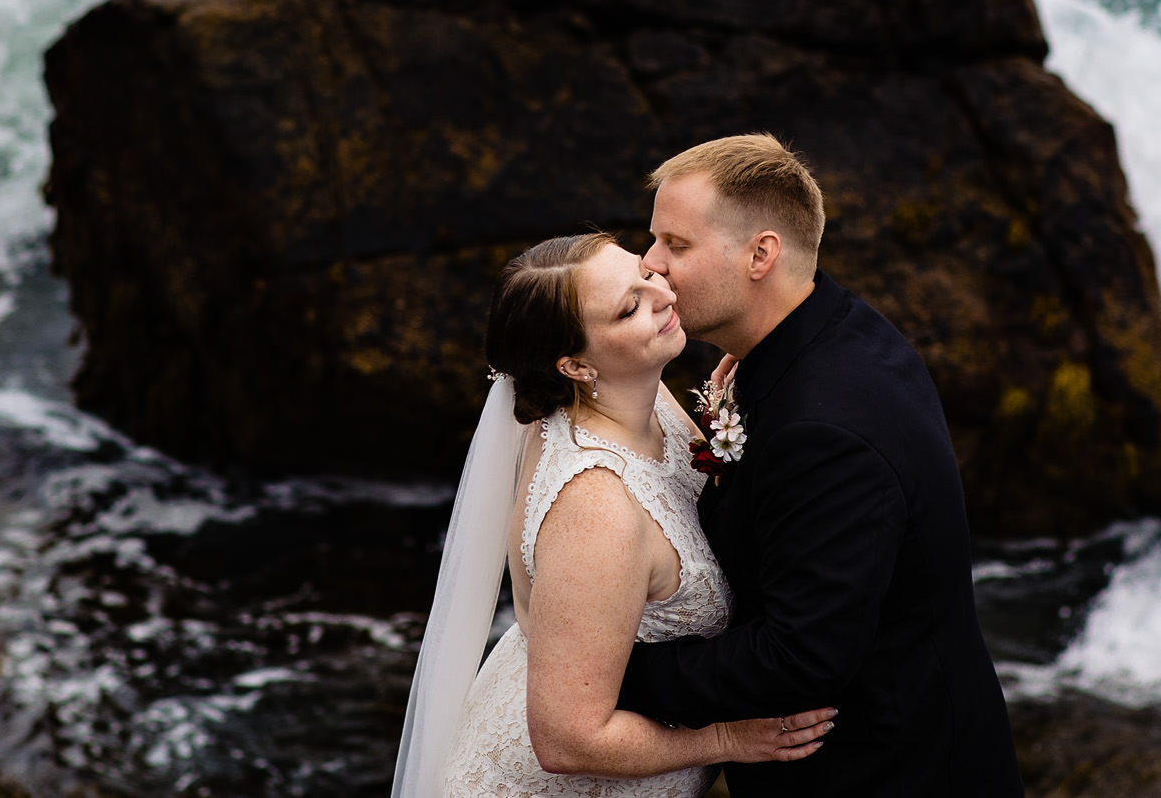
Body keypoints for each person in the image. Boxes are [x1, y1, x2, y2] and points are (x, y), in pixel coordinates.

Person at [617, 134, 1026, 797]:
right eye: (654, 238)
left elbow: (798, 657)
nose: (650, 263)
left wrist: (618, 671)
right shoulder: (834, 329)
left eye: (676, 244)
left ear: (761, 254)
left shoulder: (823, 428)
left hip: (887, 774)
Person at [392, 232, 835, 798]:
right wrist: (725, 740)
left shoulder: (640, 396)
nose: (664, 296)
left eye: (646, 276)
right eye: (630, 308)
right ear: (575, 365)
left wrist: (739, 403)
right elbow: (565, 742)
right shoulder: (596, 508)